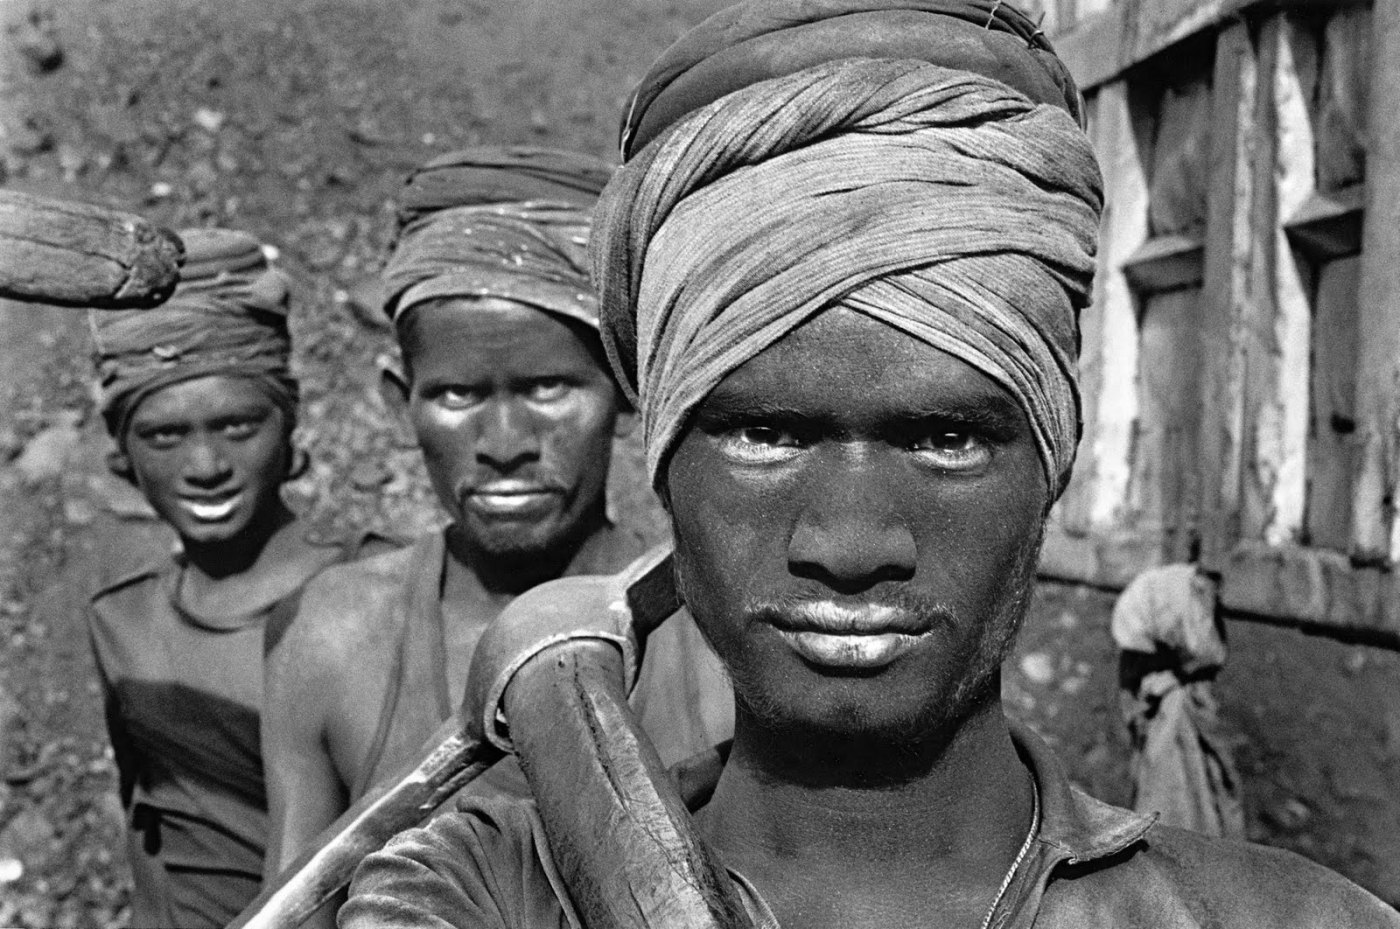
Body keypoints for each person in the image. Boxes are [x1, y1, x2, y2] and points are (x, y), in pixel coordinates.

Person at [340, 3, 1400, 928]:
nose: (848, 545)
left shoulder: (1289, 918)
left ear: (1054, 462)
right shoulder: (483, 890)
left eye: (946, 439)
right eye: (766, 435)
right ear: (661, 461)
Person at [261, 147, 732, 918]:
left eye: (548, 388)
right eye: (457, 395)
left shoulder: (716, 639)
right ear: (399, 403)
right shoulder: (334, 636)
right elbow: (293, 905)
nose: (505, 442)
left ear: (625, 392)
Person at [86, 227, 388, 928]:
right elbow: (153, 836)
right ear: (123, 453)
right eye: (163, 436)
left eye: (238, 426)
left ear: (288, 423)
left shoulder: (381, 589)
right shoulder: (122, 620)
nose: (206, 467)